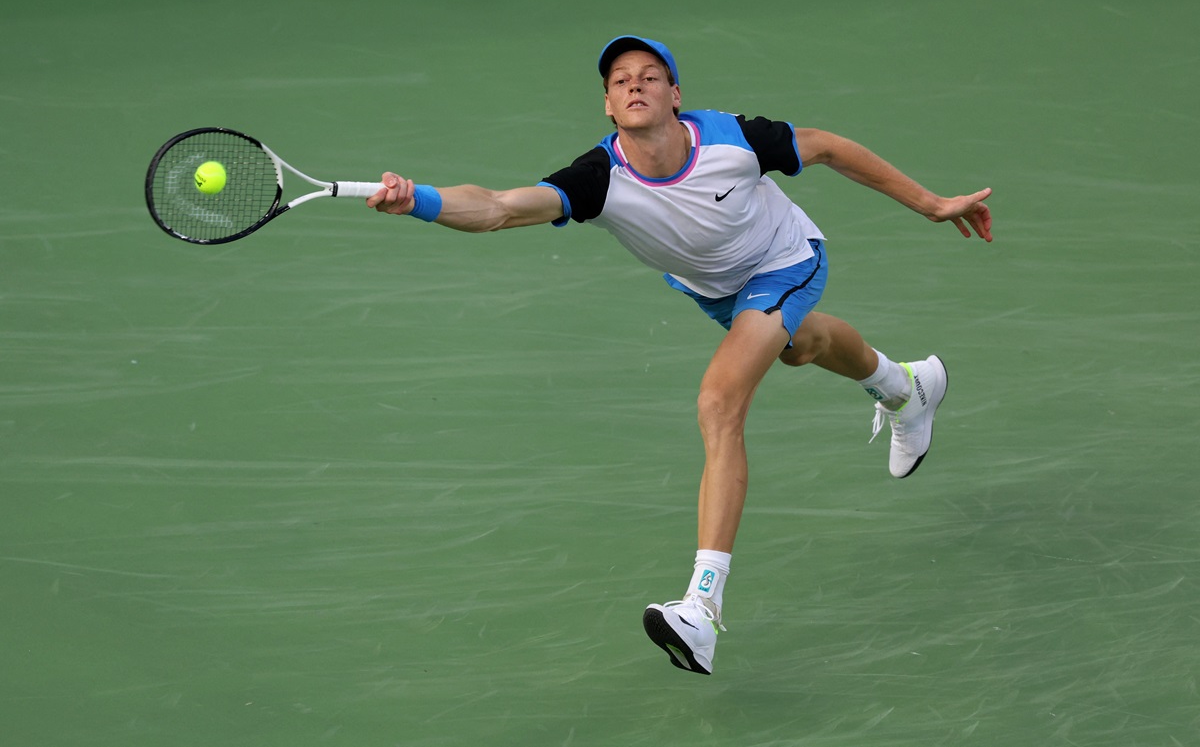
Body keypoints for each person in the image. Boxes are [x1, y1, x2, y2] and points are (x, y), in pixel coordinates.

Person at [366, 34, 992, 676]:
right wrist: (420, 201)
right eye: (620, 80)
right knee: (801, 348)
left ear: (675, 95)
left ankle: (702, 608)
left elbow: (827, 146)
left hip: (786, 261)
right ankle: (905, 387)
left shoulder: (733, 139)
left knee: (719, 402)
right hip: (717, 292)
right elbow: (498, 208)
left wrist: (931, 203)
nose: (634, 84)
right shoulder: (598, 178)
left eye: (649, 76)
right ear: (608, 104)